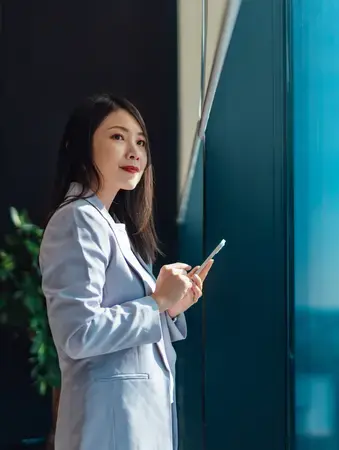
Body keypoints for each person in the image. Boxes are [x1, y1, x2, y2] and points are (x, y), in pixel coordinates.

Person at [39, 93, 213, 450]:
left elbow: (125, 334)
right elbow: (78, 333)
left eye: (141, 141)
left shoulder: (110, 225)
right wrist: (155, 302)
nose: (135, 151)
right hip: (109, 429)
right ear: (82, 144)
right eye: (118, 136)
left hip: (133, 425)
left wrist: (168, 308)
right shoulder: (76, 220)